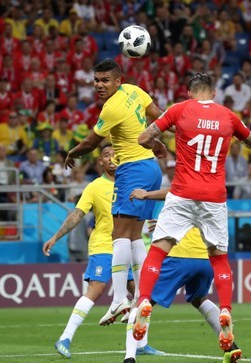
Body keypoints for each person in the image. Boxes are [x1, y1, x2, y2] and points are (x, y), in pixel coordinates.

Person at [132, 73, 251, 352]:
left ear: (189, 92)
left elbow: (143, 138)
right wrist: (233, 138)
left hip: (181, 193)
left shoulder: (179, 110)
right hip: (214, 197)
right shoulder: (228, 116)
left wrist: (162, 139)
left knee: (158, 249)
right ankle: (225, 309)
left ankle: (144, 301)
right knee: (219, 258)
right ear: (214, 91)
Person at [64, 59, 168, 326]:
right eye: (96, 80)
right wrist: (160, 138)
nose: (99, 85)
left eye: (105, 80)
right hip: (150, 168)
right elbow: (158, 115)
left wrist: (73, 152)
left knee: (118, 235)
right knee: (134, 236)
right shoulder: (135, 90)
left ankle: (120, 298)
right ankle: (142, 296)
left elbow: (92, 142)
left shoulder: (110, 108)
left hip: (132, 170)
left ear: (117, 81)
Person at [44, 145, 159, 358]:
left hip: (130, 246)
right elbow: (77, 214)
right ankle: (65, 337)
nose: (112, 158)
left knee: (143, 294)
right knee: (96, 288)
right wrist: (55, 237)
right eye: (106, 155)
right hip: (104, 246)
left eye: (115, 153)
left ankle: (141, 343)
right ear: (101, 162)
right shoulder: (95, 187)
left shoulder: (132, 183)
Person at [113, 187, 243, 363]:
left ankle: (129, 360)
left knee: (142, 302)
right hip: (205, 259)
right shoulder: (212, 192)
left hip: (178, 256)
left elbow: (176, 193)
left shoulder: (184, 186)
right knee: (199, 298)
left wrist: (147, 195)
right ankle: (231, 347)